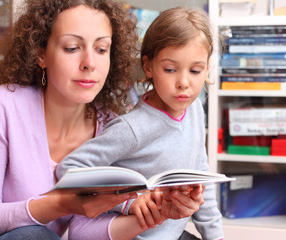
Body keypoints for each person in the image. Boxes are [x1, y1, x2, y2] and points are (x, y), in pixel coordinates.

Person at [0, 1, 205, 240]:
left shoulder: (113, 129)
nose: (89, 63)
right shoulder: (1, 106)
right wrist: (62, 203)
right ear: (41, 54)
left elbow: (84, 233)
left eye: (101, 49)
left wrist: (155, 214)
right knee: (32, 235)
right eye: (72, 48)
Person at [56, 6, 224, 240]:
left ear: (207, 68)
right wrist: (127, 203)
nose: (183, 82)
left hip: (171, 234)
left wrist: (215, 236)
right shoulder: (132, 128)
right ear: (148, 67)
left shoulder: (194, 109)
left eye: (195, 70)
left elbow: (201, 176)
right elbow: (69, 169)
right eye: (170, 69)